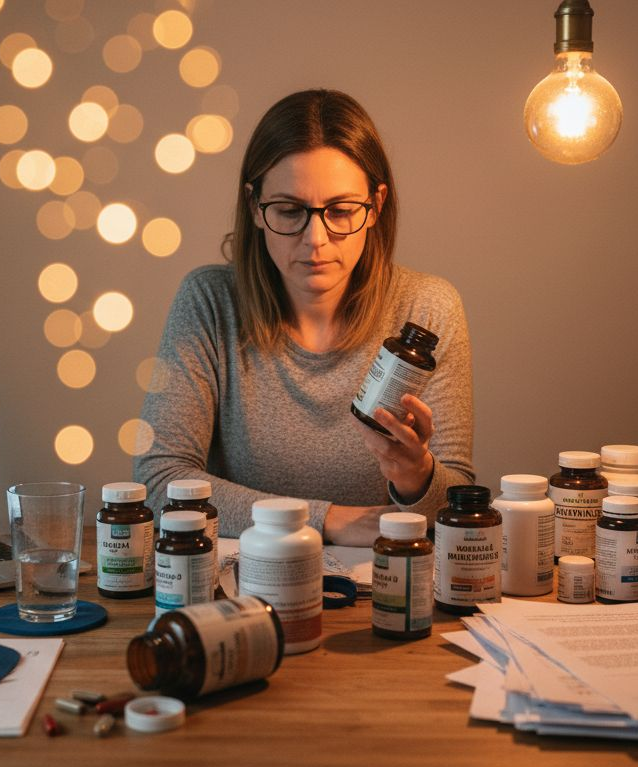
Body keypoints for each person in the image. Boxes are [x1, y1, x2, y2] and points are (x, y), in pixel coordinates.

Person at [134, 89, 474, 546]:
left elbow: (457, 499)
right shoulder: (210, 302)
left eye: (341, 211)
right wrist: (325, 520)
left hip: (389, 581)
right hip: (245, 587)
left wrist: (418, 477)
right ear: (255, 207)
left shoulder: (428, 309)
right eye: (290, 211)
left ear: (375, 206)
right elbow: (160, 482)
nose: (316, 239)